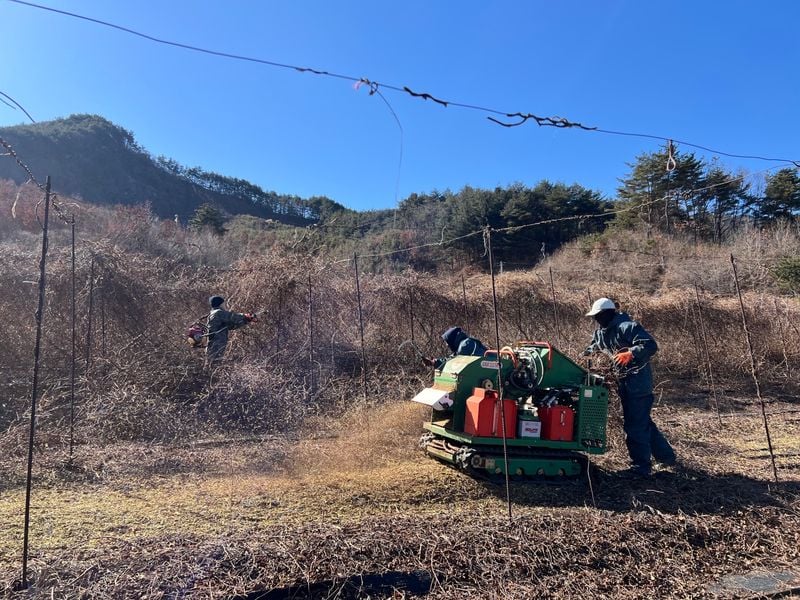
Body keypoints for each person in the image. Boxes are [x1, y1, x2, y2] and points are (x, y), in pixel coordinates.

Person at [584, 298, 676, 478]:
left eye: (599, 316)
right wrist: (583, 358)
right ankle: (666, 457)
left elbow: (650, 345)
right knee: (642, 422)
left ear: (608, 313)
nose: (597, 320)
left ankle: (640, 468)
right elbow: (591, 350)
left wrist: (631, 353)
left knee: (635, 425)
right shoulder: (601, 333)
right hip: (622, 384)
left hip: (638, 385)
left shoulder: (628, 327)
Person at [205, 295, 258, 364]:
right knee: (214, 364)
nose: (225, 305)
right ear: (220, 304)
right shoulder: (218, 312)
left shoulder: (214, 313)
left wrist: (246, 320)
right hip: (216, 345)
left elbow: (231, 326)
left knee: (212, 364)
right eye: (224, 303)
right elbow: (232, 317)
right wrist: (245, 316)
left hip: (215, 345)